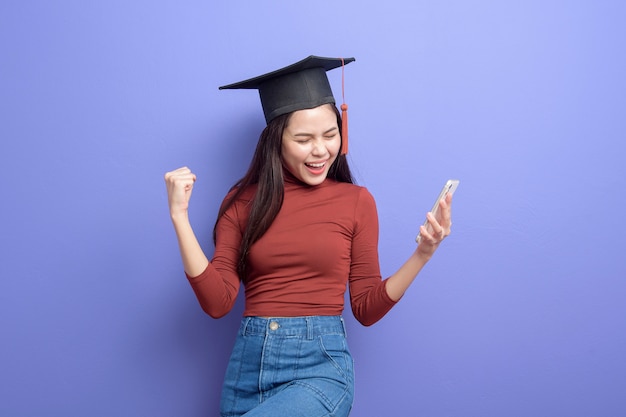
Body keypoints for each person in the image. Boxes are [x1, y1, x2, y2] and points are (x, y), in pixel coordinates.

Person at [164, 55, 453, 417]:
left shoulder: (356, 202)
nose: (321, 150)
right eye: (304, 139)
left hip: (320, 370)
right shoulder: (241, 203)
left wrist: (423, 254)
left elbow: (365, 307)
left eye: (331, 135)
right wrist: (179, 218)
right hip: (247, 373)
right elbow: (218, 302)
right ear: (276, 140)